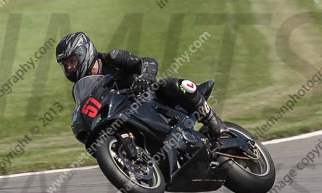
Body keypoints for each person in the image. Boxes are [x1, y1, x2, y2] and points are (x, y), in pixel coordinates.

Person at [55, 31, 225, 138]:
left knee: (177, 85)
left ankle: (213, 121)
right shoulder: (82, 89)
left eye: (72, 61)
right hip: (125, 117)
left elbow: (147, 61)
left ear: (84, 53)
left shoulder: (113, 58)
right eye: (65, 65)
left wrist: (145, 76)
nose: (69, 68)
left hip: (149, 99)